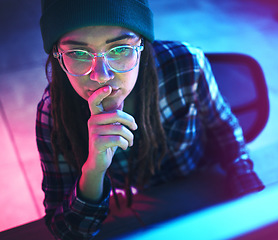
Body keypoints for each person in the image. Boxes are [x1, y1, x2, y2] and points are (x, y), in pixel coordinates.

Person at [36, 0, 265, 239]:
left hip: (203, 183)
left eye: (120, 49)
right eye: (78, 53)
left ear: (142, 45)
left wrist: (251, 199)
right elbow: (67, 231)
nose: (101, 76)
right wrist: (93, 171)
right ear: (57, 56)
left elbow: (226, 131)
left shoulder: (187, 65)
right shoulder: (53, 113)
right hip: (143, 204)